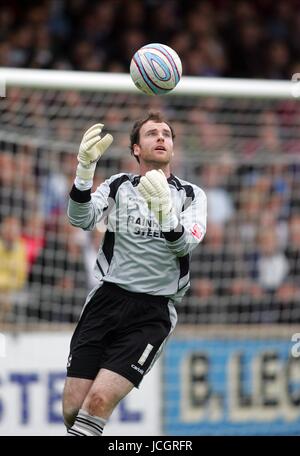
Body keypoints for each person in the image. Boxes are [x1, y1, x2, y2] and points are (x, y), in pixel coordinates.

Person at [62, 112, 207, 436]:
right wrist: (84, 171)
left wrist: (165, 215)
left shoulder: (191, 195)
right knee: (73, 409)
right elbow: (80, 219)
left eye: (166, 134)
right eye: (152, 133)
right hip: (107, 299)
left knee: (98, 401)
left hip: (151, 311)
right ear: (136, 149)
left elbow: (185, 245)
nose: (160, 138)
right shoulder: (118, 186)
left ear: (172, 147)